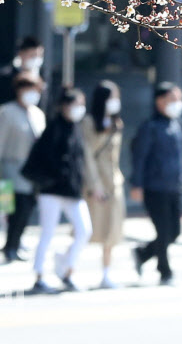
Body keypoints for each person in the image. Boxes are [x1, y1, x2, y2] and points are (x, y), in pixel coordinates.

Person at [22, 86, 92, 292]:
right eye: (76, 105)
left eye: (82, 105)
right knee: (48, 233)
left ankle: (67, 269)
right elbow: (41, 159)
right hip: (51, 191)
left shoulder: (77, 128)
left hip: (72, 190)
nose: (79, 109)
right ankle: (39, 275)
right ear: (64, 106)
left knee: (84, 230)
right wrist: (50, 180)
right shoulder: (53, 129)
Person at [0, 72, 46, 262]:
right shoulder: (6, 112)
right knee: (15, 210)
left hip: (33, 170)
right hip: (12, 167)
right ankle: (10, 246)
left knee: (27, 209)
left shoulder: (37, 113)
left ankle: (16, 244)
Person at [130, 82, 182, 286]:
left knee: (175, 231)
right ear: (159, 101)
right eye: (171, 99)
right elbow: (140, 156)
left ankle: (143, 253)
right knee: (163, 230)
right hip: (155, 187)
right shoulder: (150, 127)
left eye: (178, 99)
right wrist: (137, 184)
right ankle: (165, 270)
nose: (176, 104)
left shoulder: (176, 123)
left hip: (173, 186)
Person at [82, 81, 125, 289]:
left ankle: (106, 272)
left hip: (114, 183)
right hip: (96, 183)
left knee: (112, 230)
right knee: (85, 230)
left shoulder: (117, 123)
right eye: (112, 97)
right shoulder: (89, 122)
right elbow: (87, 156)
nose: (115, 102)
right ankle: (67, 264)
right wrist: (94, 185)